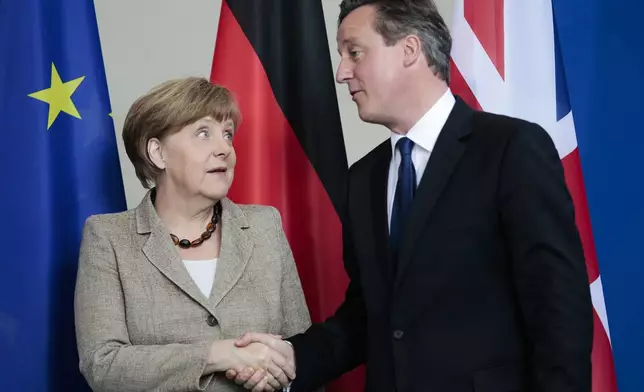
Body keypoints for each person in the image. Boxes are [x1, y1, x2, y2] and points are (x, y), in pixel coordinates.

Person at [225, 1, 594, 391]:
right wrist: (293, 358)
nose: (341, 73)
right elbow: (370, 315)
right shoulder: (364, 178)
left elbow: (558, 309)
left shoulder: (511, 149)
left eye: (355, 52)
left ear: (410, 49)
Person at [74, 77, 309, 392]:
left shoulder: (265, 226)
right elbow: (103, 364)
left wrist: (278, 376)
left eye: (227, 134)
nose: (224, 148)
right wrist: (219, 354)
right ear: (158, 153)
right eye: (204, 133)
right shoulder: (108, 237)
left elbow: (301, 349)